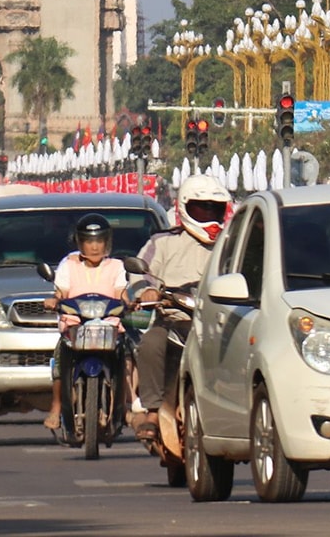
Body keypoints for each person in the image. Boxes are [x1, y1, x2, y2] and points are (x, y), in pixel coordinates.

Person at [130, 174, 230, 443]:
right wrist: (146, 290)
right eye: (201, 208)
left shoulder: (230, 244)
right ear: (184, 207)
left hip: (216, 323)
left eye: (214, 209)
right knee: (151, 343)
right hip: (173, 319)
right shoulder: (163, 242)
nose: (208, 215)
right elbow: (141, 273)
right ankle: (152, 409)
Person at [43, 213, 129, 434]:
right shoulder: (68, 265)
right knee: (60, 356)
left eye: (99, 241)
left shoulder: (116, 266)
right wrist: (55, 300)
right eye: (89, 241)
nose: (94, 247)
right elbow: (61, 290)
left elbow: (121, 292)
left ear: (106, 242)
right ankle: (56, 406)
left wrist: (130, 303)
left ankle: (126, 405)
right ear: (80, 242)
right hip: (75, 324)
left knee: (127, 356)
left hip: (109, 325)